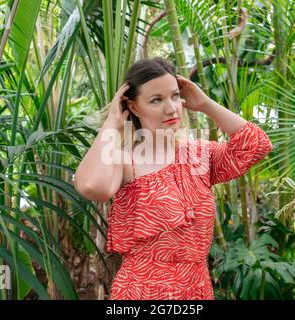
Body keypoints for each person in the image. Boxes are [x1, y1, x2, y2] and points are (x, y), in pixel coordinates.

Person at [74, 57, 273, 300]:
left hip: (196, 289)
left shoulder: (199, 156)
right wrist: (112, 123)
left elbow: (256, 145)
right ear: (134, 108)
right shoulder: (126, 161)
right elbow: (92, 186)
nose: (171, 108)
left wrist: (205, 104)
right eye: (156, 100)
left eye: (175, 96)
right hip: (142, 292)